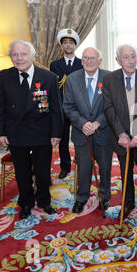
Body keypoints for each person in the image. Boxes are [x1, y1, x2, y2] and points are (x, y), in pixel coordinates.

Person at [0, 40, 63, 219]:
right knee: (22, 172)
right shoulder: (4, 76)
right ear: (11, 57)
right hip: (16, 133)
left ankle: (44, 201)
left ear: (32, 56)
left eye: (23, 54)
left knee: (42, 171)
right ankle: (26, 202)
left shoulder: (48, 77)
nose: (19, 58)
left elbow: (56, 108)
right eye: (15, 55)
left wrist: (56, 133)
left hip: (41, 132)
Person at [102, 44, 137, 218]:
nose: (131, 61)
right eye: (126, 57)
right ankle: (128, 202)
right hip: (121, 136)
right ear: (118, 60)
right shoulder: (109, 79)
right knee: (125, 171)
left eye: (133, 56)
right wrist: (121, 133)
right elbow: (108, 108)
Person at [62, 47, 112, 214]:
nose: (89, 61)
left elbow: (111, 106)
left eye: (92, 58)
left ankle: (104, 197)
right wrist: (82, 123)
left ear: (100, 60)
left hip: (103, 133)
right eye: (85, 58)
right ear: (81, 60)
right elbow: (68, 107)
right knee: (83, 168)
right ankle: (81, 198)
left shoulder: (109, 78)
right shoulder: (71, 79)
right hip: (81, 133)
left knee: (105, 168)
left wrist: (98, 122)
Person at [50, 28, 83, 179]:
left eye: (71, 42)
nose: (68, 45)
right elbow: (53, 87)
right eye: (65, 43)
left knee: (79, 138)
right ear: (61, 46)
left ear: (75, 45)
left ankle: (82, 163)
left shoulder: (82, 63)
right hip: (61, 107)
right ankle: (65, 166)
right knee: (62, 139)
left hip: (77, 108)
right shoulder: (54, 65)